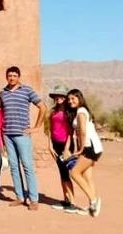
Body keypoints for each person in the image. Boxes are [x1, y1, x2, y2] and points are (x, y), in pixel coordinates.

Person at [0, 65, 47, 211]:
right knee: (14, 166)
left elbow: (43, 107)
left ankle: (33, 199)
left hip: (22, 134)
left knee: (27, 166)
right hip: (7, 134)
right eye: (10, 75)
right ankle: (20, 197)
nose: (12, 78)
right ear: (7, 77)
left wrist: (36, 127)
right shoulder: (3, 93)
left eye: (14, 75)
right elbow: (2, 112)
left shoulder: (27, 90)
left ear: (18, 77)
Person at [66, 88, 104, 217]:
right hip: (94, 147)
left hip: (90, 147)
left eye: (73, 98)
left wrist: (80, 149)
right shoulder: (80, 111)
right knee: (87, 177)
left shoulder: (81, 111)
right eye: (69, 99)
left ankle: (94, 201)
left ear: (79, 98)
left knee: (75, 173)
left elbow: (82, 131)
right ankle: (92, 207)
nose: (70, 101)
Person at [46, 84, 75, 212]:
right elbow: (50, 129)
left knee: (67, 173)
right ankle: (66, 199)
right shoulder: (53, 111)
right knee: (62, 173)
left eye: (61, 96)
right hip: (55, 144)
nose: (58, 98)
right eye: (56, 96)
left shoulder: (69, 113)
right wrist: (49, 145)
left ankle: (72, 202)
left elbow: (71, 132)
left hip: (66, 145)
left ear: (65, 97)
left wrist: (67, 149)